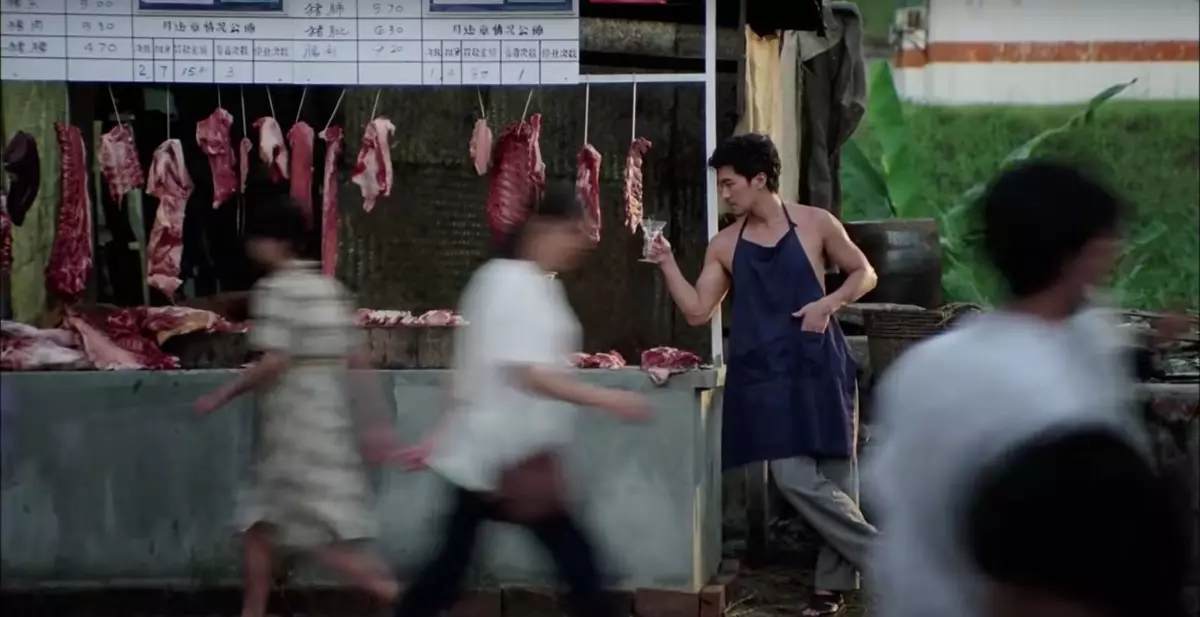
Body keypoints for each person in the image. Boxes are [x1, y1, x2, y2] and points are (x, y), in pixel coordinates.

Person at [866, 160, 1188, 617]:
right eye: (1107, 244)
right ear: (1081, 256)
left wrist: (1147, 346)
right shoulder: (1062, 407)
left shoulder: (924, 367)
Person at [393, 183, 652, 617]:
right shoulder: (508, 283)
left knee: (455, 570)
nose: (577, 245)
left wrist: (439, 436)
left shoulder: (535, 285)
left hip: (505, 455)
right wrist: (609, 400)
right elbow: (528, 374)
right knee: (574, 567)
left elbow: (467, 373)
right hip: (500, 455)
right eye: (572, 233)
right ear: (542, 229)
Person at [646, 133, 878, 616]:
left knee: (838, 473)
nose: (724, 194)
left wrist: (828, 303)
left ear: (759, 179)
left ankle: (830, 588)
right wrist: (666, 262)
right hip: (767, 374)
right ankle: (888, 559)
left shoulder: (816, 223)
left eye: (729, 184)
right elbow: (697, 310)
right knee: (792, 477)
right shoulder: (724, 245)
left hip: (820, 362)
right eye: (721, 185)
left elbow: (865, 273)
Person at [194, 196, 402, 617]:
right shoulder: (328, 289)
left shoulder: (276, 291)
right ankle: (254, 610)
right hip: (325, 420)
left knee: (312, 537)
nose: (252, 247)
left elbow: (275, 360)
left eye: (258, 238)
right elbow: (357, 360)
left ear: (276, 243)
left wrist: (222, 394)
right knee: (259, 525)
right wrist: (376, 422)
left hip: (292, 426)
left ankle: (402, 598)